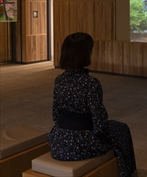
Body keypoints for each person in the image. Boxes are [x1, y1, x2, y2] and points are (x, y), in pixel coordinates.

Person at [47, 32, 136, 177]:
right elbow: (99, 122)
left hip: (59, 141)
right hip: (82, 143)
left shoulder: (59, 80)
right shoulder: (91, 83)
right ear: (85, 54)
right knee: (121, 130)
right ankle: (127, 173)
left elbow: (55, 115)